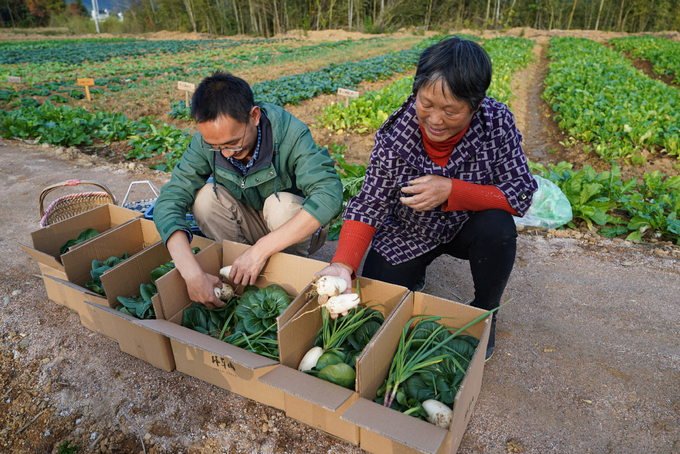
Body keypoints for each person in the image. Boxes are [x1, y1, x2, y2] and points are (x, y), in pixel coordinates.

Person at [317, 37, 538, 361]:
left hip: (468, 225)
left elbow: (520, 193)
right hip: (409, 230)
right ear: (416, 91)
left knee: (498, 228)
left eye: (451, 111)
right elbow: (369, 203)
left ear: (475, 106)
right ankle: (413, 271)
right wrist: (342, 264)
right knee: (379, 308)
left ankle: (485, 312)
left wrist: (452, 190)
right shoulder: (396, 136)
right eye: (427, 104)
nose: (435, 120)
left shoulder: (497, 122)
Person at [154, 71, 343, 309]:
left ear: (253, 116)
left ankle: (287, 274)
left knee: (280, 205)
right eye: (216, 146)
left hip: (292, 229)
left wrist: (261, 250)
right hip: (249, 224)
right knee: (204, 199)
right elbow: (170, 199)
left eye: (233, 142)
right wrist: (191, 273)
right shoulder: (208, 143)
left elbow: (329, 194)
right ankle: (241, 274)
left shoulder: (290, 134)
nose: (226, 153)